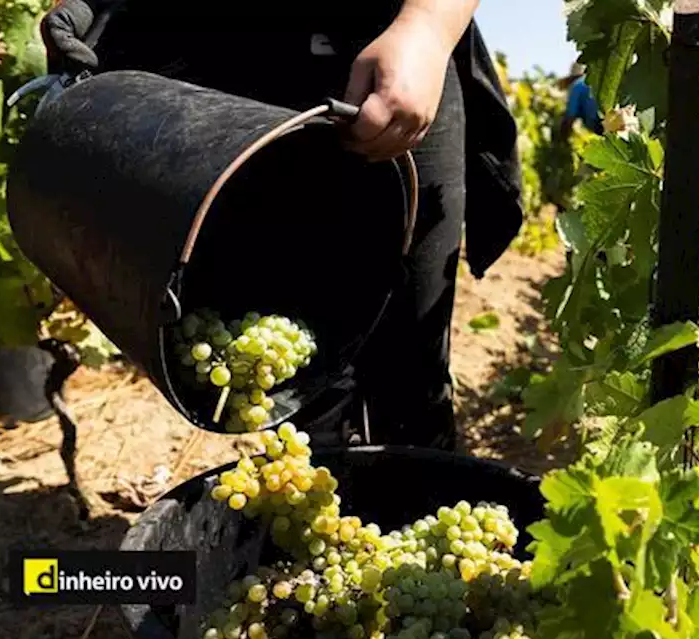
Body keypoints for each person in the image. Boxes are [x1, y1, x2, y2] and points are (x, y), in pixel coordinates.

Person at [38, 0, 524, 453]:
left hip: (392, 47)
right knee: (300, 383)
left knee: (412, 372)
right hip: (230, 63)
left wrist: (427, 27)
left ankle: (415, 511)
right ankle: (318, 514)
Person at [558, 62, 603, 139]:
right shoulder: (595, 80)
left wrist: (562, 138)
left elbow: (570, 116)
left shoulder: (576, 86)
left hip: (598, 126)